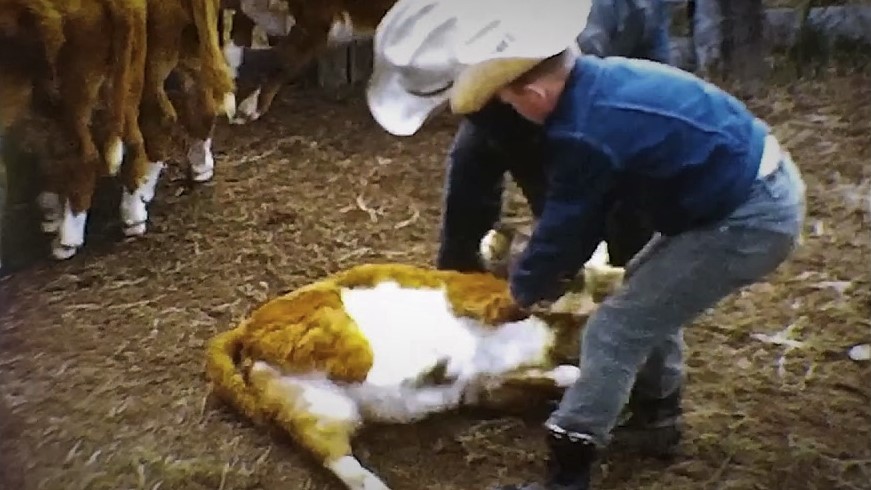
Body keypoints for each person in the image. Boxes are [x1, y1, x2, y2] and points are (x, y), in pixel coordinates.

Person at [365, 0, 807, 489]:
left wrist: (521, 292)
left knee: (613, 331)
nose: (504, 108)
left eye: (508, 99)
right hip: (732, 191)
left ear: (533, 94)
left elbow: (568, 227)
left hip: (744, 216)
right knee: (640, 299)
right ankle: (656, 418)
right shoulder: (594, 83)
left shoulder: (583, 135)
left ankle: (569, 468)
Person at [436, 0, 671, 273]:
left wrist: (554, 244)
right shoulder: (480, 32)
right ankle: (458, 267)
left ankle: (632, 270)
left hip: (628, 28)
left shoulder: (575, 49)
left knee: (630, 160)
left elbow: (570, 158)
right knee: (471, 153)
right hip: (529, 53)